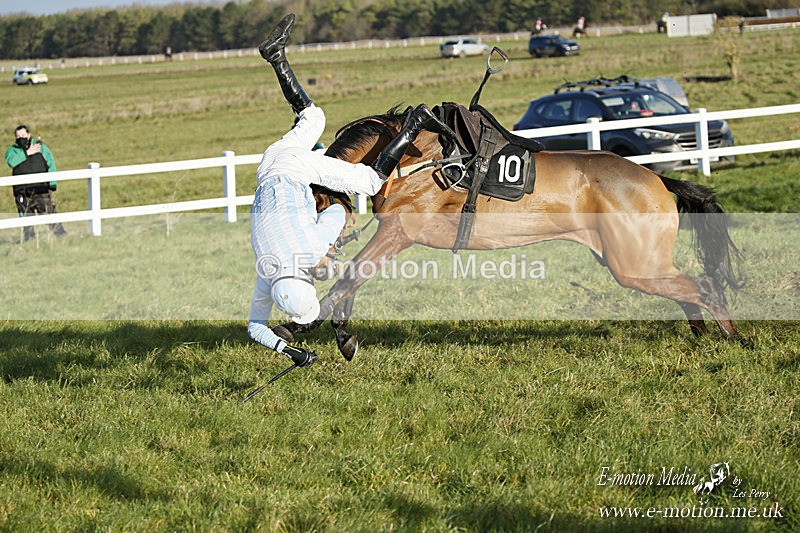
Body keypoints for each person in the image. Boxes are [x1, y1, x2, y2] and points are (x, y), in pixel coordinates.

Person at [247, 13, 452, 367]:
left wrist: (330, 249)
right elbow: (254, 327)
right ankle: (277, 57)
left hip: (295, 170)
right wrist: (289, 351)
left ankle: (414, 122)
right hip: (270, 164)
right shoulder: (266, 270)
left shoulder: (309, 250)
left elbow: (336, 211)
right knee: (314, 118)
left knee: (370, 181)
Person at [5, 125, 66, 241]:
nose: (21, 138)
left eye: (23, 135)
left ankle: (62, 237)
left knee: (49, 214)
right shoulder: (12, 151)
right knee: (26, 219)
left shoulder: (41, 148)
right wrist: (27, 153)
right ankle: (30, 242)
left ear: (28, 135)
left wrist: (52, 183)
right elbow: (11, 162)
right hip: (22, 191)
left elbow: (51, 163)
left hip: (41, 189)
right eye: (18, 136)